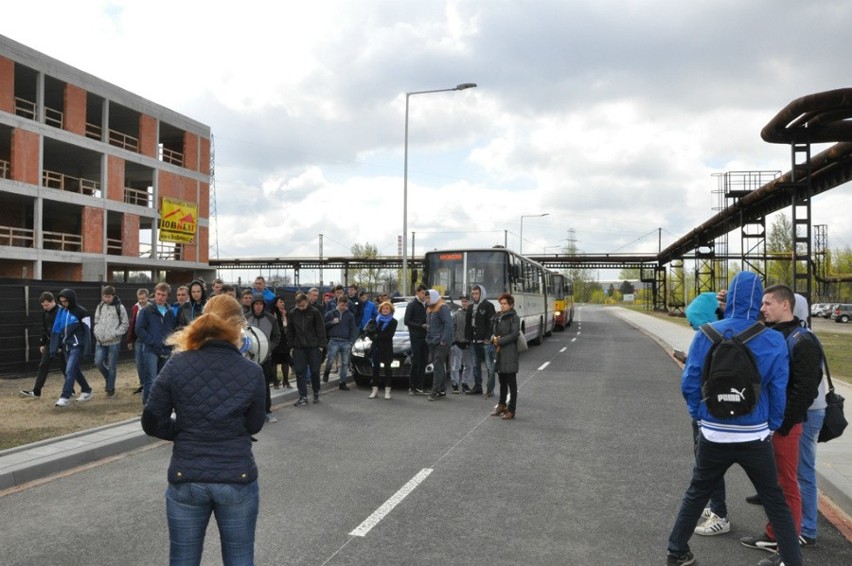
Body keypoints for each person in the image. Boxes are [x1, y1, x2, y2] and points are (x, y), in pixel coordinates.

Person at [665, 271, 801, 566]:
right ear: (756, 301)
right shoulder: (773, 340)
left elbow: (689, 384)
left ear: (731, 298)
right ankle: (792, 560)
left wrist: (700, 417)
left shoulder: (707, 333)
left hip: (714, 433)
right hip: (754, 435)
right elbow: (778, 390)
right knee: (774, 499)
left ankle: (677, 552)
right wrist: (772, 425)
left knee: (697, 491)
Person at [141, 294, 266, 566]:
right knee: (240, 558)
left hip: (187, 474)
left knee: (183, 560)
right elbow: (255, 424)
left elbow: (151, 420)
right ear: (238, 327)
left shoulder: (177, 364)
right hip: (236, 474)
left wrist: (181, 430)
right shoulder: (252, 371)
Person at [739, 285, 823, 556]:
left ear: (785, 305)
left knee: (789, 482)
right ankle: (776, 534)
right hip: (772, 423)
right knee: (777, 482)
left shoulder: (803, 340)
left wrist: (783, 424)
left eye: (767, 303)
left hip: (785, 424)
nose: (762, 309)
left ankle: (788, 545)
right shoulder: (775, 334)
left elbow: (805, 390)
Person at [684, 291, 731, 536]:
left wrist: (696, 411)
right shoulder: (726, 333)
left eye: (694, 323)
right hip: (718, 407)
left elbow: (691, 380)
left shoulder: (709, 337)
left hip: (710, 410)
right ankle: (715, 506)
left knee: (708, 463)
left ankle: (720, 513)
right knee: (707, 463)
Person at [793, 293, 828, 547]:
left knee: (804, 470)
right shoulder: (799, 334)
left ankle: (808, 528)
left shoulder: (805, 339)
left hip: (810, 411)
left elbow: (807, 386)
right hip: (808, 409)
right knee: (795, 468)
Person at [49, 288, 94, 407]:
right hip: (66, 346)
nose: (63, 303)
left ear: (71, 300)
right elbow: (56, 329)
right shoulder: (61, 311)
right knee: (74, 370)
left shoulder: (82, 312)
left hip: (77, 346)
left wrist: (87, 350)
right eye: (61, 301)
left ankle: (65, 396)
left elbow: (88, 331)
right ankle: (87, 390)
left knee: (69, 370)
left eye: (65, 301)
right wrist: (54, 348)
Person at [135, 282, 178, 405]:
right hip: (151, 350)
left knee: (162, 380)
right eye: (158, 294)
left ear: (167, 296)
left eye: (163, 295)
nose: (160, 297)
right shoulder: (146, 310)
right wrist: (151, 341)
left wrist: (170, 344)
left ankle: (159, 405)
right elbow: (139, 329)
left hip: (166, 350)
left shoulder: (170, 311)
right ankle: (148, 406)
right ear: (155, 294)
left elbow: (172, 329)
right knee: (151, 380)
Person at [20, 292, 66, 399]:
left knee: (65, 367)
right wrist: (43, 343)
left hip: (62, 343)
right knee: (43, 365)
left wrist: (60, 345)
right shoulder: (45, 313)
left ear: (53, 301)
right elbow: (44, 329)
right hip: (50, 342)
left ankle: (71, 390)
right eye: (43, 305)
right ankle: (36, 391)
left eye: (47, 305)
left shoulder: (61, 312)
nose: (45, 307)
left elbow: (64, 330)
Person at [246, 294, 281, 423]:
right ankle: (249, 413)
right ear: (252, 305)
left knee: (265, 386)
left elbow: (277, 337)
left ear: (264, 305)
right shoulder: (246, 318)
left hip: (266, 359)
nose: (258, 306)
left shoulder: (271, 319)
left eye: (261, 304)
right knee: (249, 387)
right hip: (249, 360)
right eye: (256, 304)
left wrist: (267, 348)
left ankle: (267, 411)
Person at [287, 292, 326, 406]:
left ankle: (316, 393)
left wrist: (321, 346)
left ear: (307, 302)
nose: (301, 308)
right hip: (298, 347)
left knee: (315, 371)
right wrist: (291, 346)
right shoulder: (293, 313)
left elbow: (321, 329)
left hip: (313, 347)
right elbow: (290, 330)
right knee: (300, 372)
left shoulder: (315, 312)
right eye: (299, 306)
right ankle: (302, 396)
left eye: (303, 305)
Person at [93, 285, 129, 398]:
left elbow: (125, 324)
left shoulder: (120, 307)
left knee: (112, 366)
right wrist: (96, 331)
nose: (106, 299)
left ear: (113, 296)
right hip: (100, 341)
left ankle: (110, 388)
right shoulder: (100, 306)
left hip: (114, 342)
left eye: (108, 296)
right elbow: (96, 320)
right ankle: (109, 378)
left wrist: (115, 333)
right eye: (104, 296)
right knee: (98, 362)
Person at [490, 293, 521, 420]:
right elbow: (494, 332)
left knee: (511, 384)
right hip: (499, 353)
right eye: (501, 303)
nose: (502, 306)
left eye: (504, 304)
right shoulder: (498, 316)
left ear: (511, 305)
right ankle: (502, 405)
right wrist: (493, 338)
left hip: (510, 353)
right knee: (502, 382)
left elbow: (514, 334)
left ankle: (512, 410)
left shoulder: (514, 317)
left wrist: (500, 341)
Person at [466, 284, 496, 397]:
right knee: (475, 365)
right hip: (473, 341)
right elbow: (468, 324)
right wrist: (468, 338)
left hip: (485, 342)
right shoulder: (470, 307)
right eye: (473, 293)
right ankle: (477, 386)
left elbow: (492, 323)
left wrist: (488, 338)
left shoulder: (488, 306)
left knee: (489, 366)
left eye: (476, 293)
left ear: (481, 293)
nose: (474, 296)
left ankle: (490, 388)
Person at [323, 296, 359, 391]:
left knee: (345, 363)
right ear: (338, 303)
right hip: (334, 340)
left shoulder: (350, 315)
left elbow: (353, 329)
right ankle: (327, 372)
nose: (344, 307)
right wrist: (332, 322)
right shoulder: (331, 314)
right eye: (342, 305)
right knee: (330, 360)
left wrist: (351, 342)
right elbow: (323, 326)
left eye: (345, 305)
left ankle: (342, 382)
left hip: (345, 341)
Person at [426, 289, 452, 401]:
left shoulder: (442, 307)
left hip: (441, 342)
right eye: (426, 298)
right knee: (439, 365)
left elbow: (448, 324)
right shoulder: (430, 308)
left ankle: (435, 391)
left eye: (428, 297)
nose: (426, 299)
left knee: (437, 365)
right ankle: (441, 389)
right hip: (432, 341)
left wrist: (444, 340)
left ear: (434, 296)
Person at [368, 301, 398, 400]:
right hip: (376, 348)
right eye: (383, 308)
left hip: (387, 348)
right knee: (375, 369)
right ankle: (374, 390)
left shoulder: (393, 321)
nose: (385, 310)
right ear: (380, 309)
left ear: (390, 310)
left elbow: (389, 335)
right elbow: (370, 332)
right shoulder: (376, 320)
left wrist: (377, 336)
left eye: (387, 308)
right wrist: (373, 336)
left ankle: (387, 391)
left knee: (387, 370)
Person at [404, 285, 429, 395]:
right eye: (422, 293)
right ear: (417, 293)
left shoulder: (427, 305)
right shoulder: (412, 305)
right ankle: (411, 387)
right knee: (416, 361)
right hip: (415, 337)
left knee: (424, 361)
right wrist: (420, 325)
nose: (424, 296)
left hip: (426, 337)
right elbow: (406, 321)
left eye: (425, 293)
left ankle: (420, 386)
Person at [127, 288, 149, 395]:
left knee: (147, 362)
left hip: (148, 339)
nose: (141, 300)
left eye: (143, 298)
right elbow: (132, 324)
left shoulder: (151, 308)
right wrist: (130, 340)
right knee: (139, 363)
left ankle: (148, 385)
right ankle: (143, 384)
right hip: (138, 339)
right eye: (139, 298)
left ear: (147, 298)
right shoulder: (135, 307)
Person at [450, 294, 474, 393]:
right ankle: (455, 384)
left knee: (469, 365)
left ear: (469, 302)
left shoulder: (472, 314)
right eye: (463, 301)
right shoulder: (456, 314)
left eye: (466, 301)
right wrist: (453, 342)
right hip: (458, 343)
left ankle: (465, 383)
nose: (464, 303)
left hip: (468, 343)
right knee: (456, 365)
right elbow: (452, 329)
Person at [270, 296, 292, 389]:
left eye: (283, 302)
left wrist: (284, 317)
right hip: (275, 340)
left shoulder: (285, 313)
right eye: (280, 302)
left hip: (284, 340)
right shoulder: (272, 313)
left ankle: (286, 381)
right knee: (274, 362)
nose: (282, 303)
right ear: (275, 303)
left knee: (285, 361)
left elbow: (288, 326)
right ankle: (275, 381)